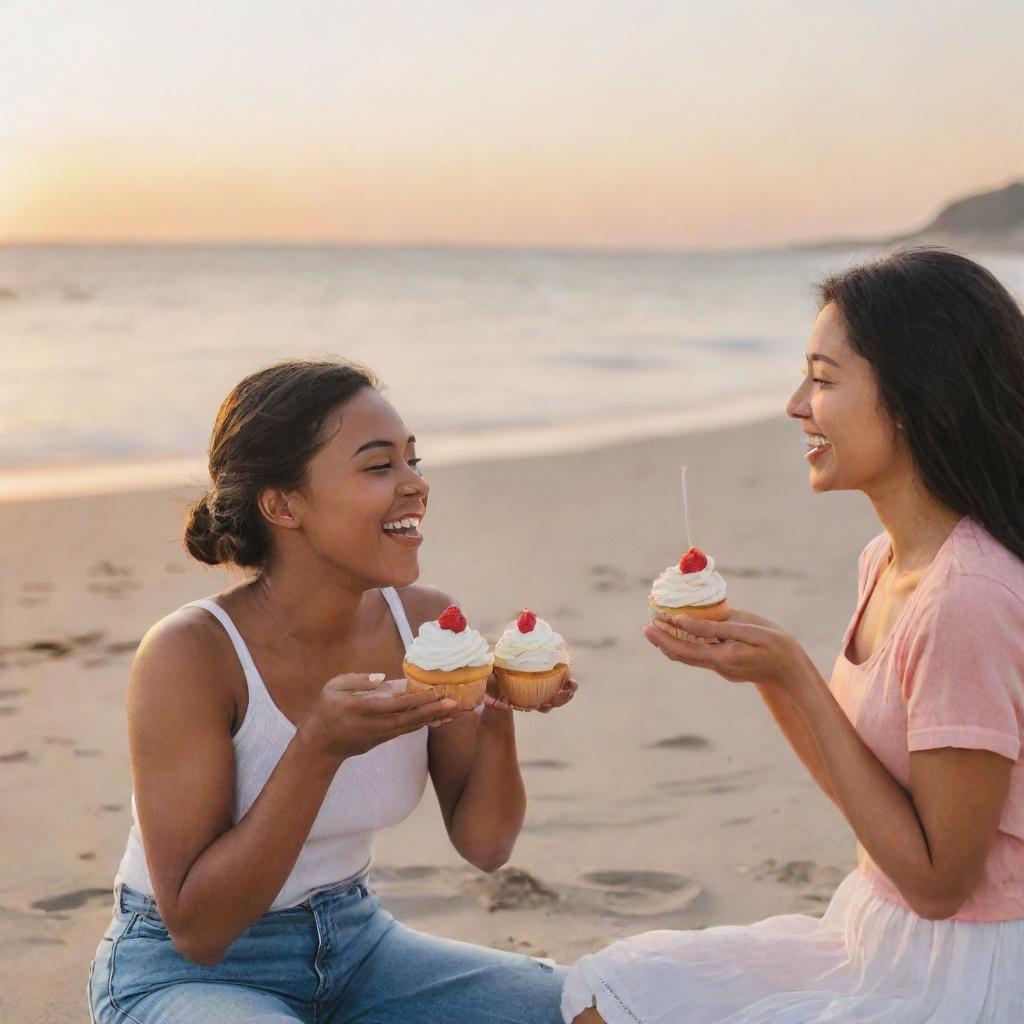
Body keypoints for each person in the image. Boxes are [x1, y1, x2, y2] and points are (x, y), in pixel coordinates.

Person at [563, 248, 1024, 1023]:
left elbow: (941, 884)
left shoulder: (967, 598)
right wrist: (773, 679)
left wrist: (794, 672)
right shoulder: (886, 558)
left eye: (823, 379)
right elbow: (873, 806)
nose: (794, 405)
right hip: (876, 928)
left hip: (970, 964)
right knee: (611, 992)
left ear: (913, 399)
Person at [88, 358, 575, 1024]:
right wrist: (318, 747)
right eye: (380, 467)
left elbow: (485, 845)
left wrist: (493, 704)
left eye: (413, 460)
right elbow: (198, 931)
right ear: (282, 504)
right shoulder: (191, 654)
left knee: (595, 1006)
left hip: (359, 945)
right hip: (186, 973)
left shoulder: (428, 625)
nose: (417, 486)